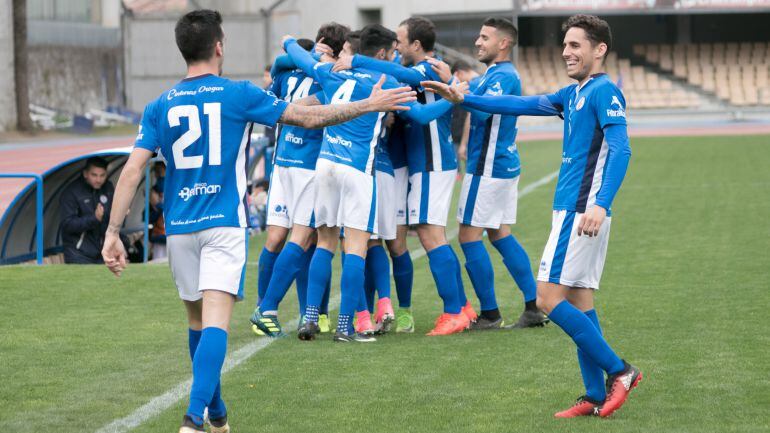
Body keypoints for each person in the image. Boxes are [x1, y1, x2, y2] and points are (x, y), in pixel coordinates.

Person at [101, 9, 416, 433]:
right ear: (219, 46)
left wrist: (113, 232)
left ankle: (217, 417)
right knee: (214, 323)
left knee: (197, 324)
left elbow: (133, 169)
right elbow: (307, 117)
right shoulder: (237, 93)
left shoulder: (160, 104)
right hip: (223, 225)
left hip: (179, 228)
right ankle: (193, 421)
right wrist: (370, 104)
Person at [422, 13, 641, 419]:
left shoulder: (604, 91)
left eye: (576, 45)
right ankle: (594, 395)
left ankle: (621, 371)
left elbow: (622, 149)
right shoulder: (574, 93)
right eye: (565, 45)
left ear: (600, 49)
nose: (566, 52)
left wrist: (600, 203)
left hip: (581, 212)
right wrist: (462, 98)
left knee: (546, 298)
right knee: (579, 301)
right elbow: (517, 104)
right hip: (573, 210)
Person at [280, 24, 455, 342]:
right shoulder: (385, 80)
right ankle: (347, 325)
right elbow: (420, 114)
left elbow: (301, 60)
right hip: (358, 169)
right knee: (356, 248)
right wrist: (455, 99)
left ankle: (309, 319)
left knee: (324, 243)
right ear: (382, 53)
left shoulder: (330, 71)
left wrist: (289, 40)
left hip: (325, 164)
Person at [334, 16, 472, 336]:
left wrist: (357, 59)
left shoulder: (426, 68)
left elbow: (420, 109)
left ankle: (453, 311)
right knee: (423, 234)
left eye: (401, 40)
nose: (396, 46)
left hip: (429, 159)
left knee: (428, 233)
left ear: (416, 45)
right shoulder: (421, 68)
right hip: (419, 161)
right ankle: (462, 307)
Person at [251, 24, 349, 338]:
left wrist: (296, 50)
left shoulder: (295, 73)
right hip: (305, 165)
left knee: (284, 238)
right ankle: (266, 308)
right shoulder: (326, 77)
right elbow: (310, 104)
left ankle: (289, 309)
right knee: (302, 238)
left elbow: (279, 76)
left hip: (284, 163)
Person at [452, 17, 546, 330]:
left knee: (468, 236)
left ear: (503, 43)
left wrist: (458, 95)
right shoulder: (493, 73)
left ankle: (490, 314)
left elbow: (482, 108)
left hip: (487, 167)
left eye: (484, 37)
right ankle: (534, 306)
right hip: (499, 165)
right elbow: (472, 93)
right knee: (499, 233)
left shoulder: (505, 75)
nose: (478, 42)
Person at [60, 156, 114, 264]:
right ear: (85, 174)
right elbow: (67, 224)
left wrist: (120, 212)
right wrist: (94, 218)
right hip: (77, 253)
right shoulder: (71, 192)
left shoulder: (108, 187)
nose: (98, 179)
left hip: (101, 252)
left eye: (102, 175)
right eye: (94, 175)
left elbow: (109, 216)